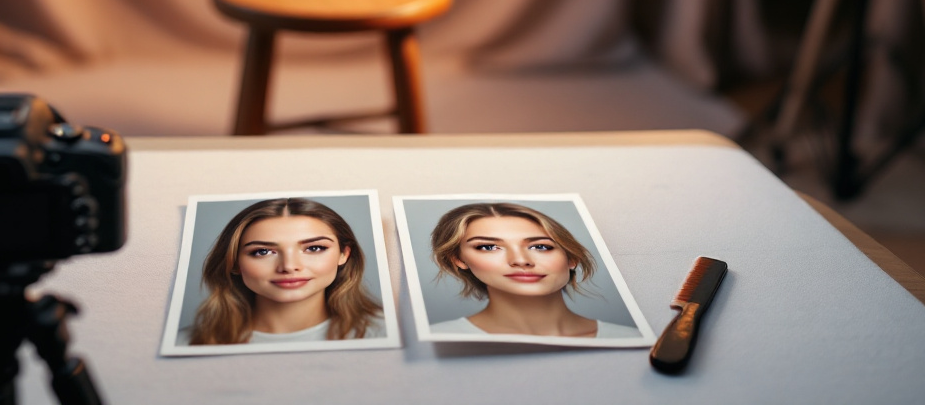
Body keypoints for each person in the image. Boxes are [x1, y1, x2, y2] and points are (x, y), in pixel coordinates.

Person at [186, 197, 384, 345]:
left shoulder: (384, 331)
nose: (289, 266)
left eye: (314, 248)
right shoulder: (190, 342)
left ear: (344, 254)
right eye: (262, 251)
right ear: (234, 262)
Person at [428, 202, 640, 338]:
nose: (521, 260)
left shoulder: (628, 337)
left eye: (540, 246)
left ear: (571, 258)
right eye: (488, 247)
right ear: (458, 259)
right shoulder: (441, 337)